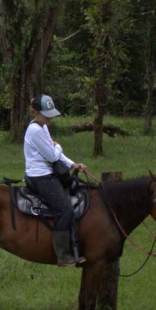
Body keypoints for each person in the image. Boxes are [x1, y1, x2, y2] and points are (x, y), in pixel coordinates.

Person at [24, 94, 89, 266]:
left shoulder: (43, 126)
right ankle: (62, 255)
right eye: (47, 114)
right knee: (64, 209)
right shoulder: (36, 130)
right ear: (37, 112)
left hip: (48, 171)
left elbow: (54, 153)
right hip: (40, 176)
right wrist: (58, 146)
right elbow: (53, 155)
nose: (50, 117)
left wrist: (73, 164)